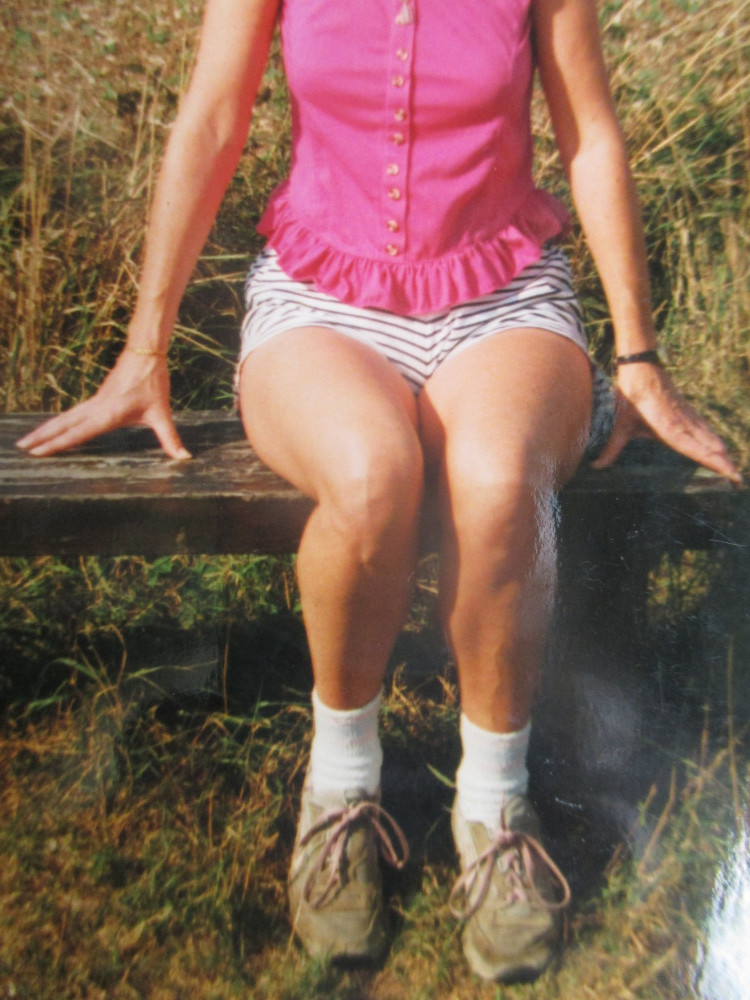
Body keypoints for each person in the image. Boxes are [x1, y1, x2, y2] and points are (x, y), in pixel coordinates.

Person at [17, 0, 740, 983]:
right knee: (371, 476)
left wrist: (640, 357)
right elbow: (212, 118)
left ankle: (494, 806)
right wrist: (143, 349)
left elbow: (593, 135)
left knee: (499, 485)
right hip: (319, 300)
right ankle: (340, 791)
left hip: (505, 299)